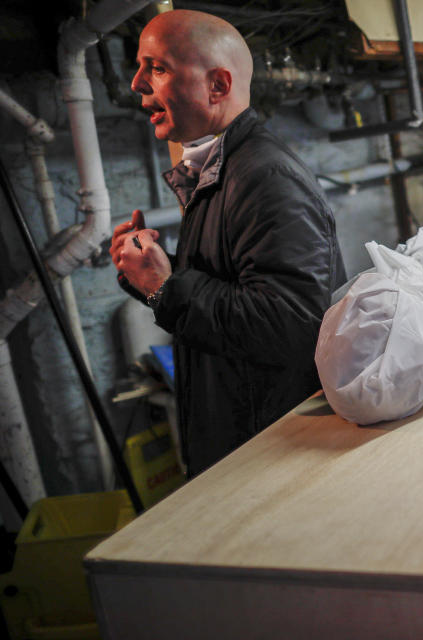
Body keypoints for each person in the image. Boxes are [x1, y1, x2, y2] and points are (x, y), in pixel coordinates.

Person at [111, 9, 346, 476]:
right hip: (250, 446)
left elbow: (291, 326)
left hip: (274, 459)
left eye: (156, 68)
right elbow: (236, 286)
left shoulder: (264, 176)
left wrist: (166, 287)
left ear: (217, 85)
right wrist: (151, 273)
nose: (137, 84)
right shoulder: (223, 168)